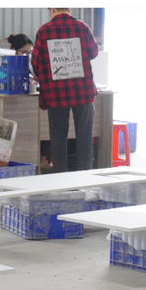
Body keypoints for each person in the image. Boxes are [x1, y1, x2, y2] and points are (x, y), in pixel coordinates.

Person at [30, 9, 99, 172]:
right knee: (85, 135)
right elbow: (94, 52)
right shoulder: (82, 27)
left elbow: (35, 61)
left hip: (56, 93)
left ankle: (60, 176)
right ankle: (85, 175)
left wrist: (41, 75)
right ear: (69, 9)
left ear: (52, 9)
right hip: (82, 90)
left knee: (58, 137)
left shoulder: (44, 31)